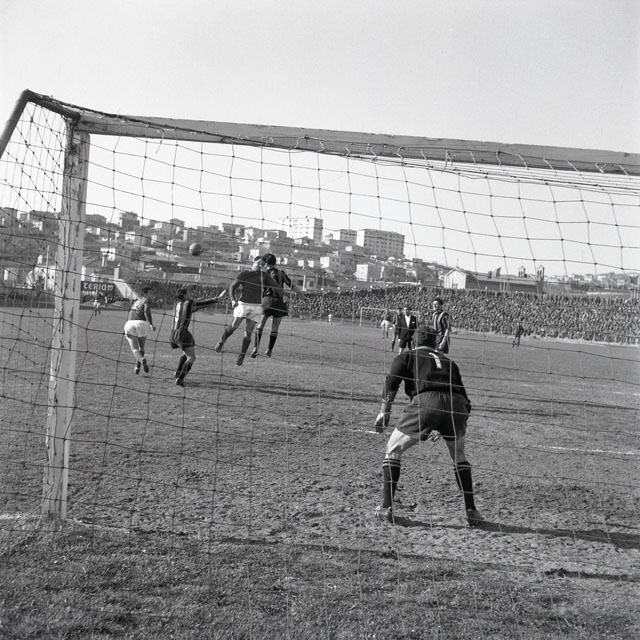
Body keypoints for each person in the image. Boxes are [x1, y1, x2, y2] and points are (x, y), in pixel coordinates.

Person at [373, 323, 482, 527]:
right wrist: (443, 424)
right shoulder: (449, 362)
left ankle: (386, 508)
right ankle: (472, 511)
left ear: (413, 342)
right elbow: (466, 399)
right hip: (458, 406)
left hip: (427, 402)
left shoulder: (407, 356)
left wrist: (384, 412)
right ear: (434, 343)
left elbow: (391, 383)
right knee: (459, 456)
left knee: (392, 449)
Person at [214, 257, 281, 366]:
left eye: (263, 264)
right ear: (254, 262)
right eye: (259, 263)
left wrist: (282, 294)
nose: (260, 266)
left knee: (248, 333)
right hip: (243, 304)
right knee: (234, 326)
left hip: (256, 307)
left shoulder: (264, 276)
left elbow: (276, 286)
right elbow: (233, 286)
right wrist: (233, 300)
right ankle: (222, 341)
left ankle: (242, 355)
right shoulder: (245, 274)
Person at [171, 286, 225, 386]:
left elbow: (195, 308)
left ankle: (178, 372)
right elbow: (203, 303)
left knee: (186, 352)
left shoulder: (177, 305)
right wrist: (217, 299)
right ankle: (180, 379)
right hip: (182, 333)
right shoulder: (189, 302)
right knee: (191, 357)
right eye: (187, 293)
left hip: (173, 333)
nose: (189, 294)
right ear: (185, 295)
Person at [251, 253, 298, 358]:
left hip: (266, 301)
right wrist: (302, 295)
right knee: (275, 327)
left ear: (266, 263)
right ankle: (269, 350)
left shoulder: (263, 273)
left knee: (260, 325)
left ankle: (255, 348)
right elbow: (292, 285)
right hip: (279, 302)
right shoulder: (281, 273)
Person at [124, 287, 155, 375]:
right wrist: (151, 324)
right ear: (144, 294)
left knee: (135, 349)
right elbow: (146, 310)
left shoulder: (136, 302)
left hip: (130, 324)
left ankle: (139, 363)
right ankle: (139, 363)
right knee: (141, 348)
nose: (152, 295)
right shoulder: (146, 301)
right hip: (142, 324)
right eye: (150, 293)